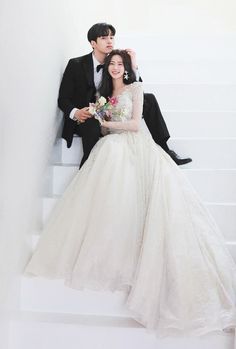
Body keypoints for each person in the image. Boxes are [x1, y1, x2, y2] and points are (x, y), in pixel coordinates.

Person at [25, 49, 236, 337]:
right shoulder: (102, 97)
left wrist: (106, 123)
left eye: (119, 64)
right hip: (113, 144)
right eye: (111, 63)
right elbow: (101, 131)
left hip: (136, 146)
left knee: (118, 159)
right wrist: (95, 117)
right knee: (108, 155)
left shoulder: (136, 88)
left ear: (126, 67)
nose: (114, 67)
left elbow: (136, 124)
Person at [58, 22, 192, 167]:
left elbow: (136, 87)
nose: (109, 41)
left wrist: (133, 65)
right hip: (87, 117)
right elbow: (63, 98)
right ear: (93, 43)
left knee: (149, 99)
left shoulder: (116, 61)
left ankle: (165, 149)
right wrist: (76, 112)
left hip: (111, 109)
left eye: (111, 37)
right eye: (103, 37)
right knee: (92, 124)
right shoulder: (76, 64)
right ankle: (88, 166)